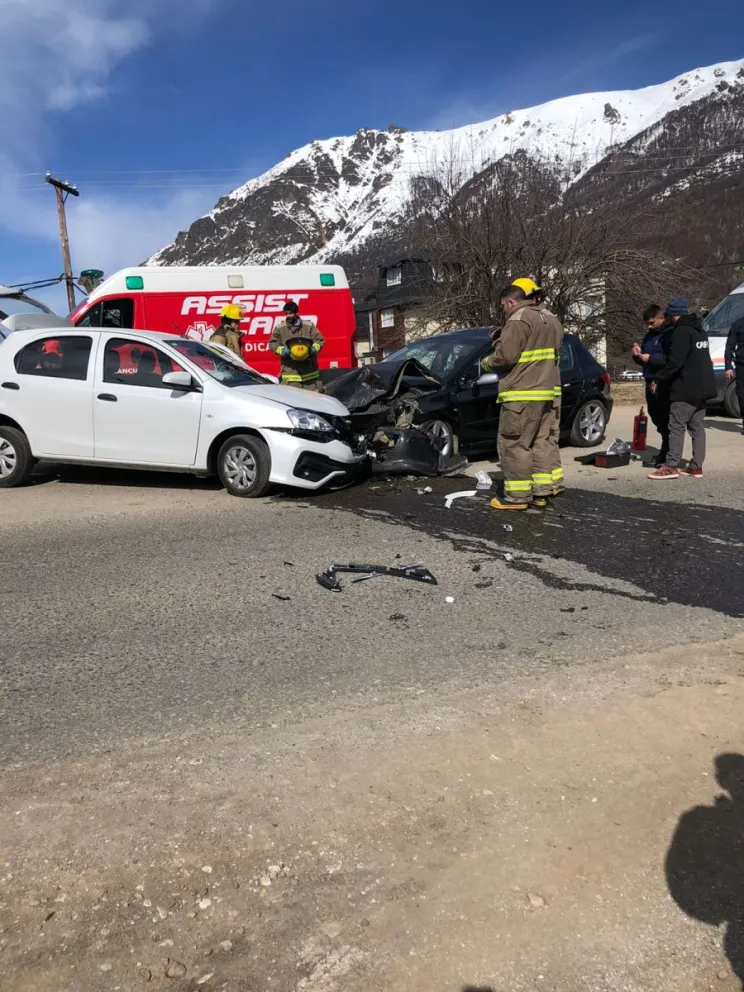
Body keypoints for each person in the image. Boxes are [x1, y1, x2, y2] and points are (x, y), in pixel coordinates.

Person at [482, 284, 562, 510]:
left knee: (515, 445)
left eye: (503, 305)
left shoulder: (518, 319)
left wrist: (487, 362)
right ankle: (541, 493)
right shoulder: (550, 318)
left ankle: (517, 498)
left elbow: (505, 357)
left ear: (511, 302)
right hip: (546, 392)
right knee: (540, 443)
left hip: (521, 394)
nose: (503, 310)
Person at [648, 297, 716, 480]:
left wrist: (658, 379)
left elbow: (675, 361)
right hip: (704, 387)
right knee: (697, 427)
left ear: (672, 314)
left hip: (686, 387)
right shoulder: (699, 330)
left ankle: (670, 466)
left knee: (676, 426)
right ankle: (696, 466)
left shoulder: (681, 332)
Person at [511, 277, 565, 495]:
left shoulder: (526, 320)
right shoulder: (551, 319)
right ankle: (552, 485)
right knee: (548, 440)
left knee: (528, 442)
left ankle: (535, 490)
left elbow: (511, 355)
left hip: (531, 389)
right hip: (553, 388)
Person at [632, 304, 672, 465]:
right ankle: (666, 447)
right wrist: (637, 354)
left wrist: (651, 358)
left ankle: (668, 452)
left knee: (665, 418)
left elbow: (671, 359)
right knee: (655, 416)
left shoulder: (669, 335)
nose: (649, 326)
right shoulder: (649, 336)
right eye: (647, 324)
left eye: (651, 322)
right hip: (649, 379)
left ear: (661, 318)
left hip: (663, 381)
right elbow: (644, 359)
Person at [268, 301, 325, 390]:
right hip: (291, 377)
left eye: (290, 313)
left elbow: (319, 340)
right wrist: (283, 351)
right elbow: (272, 343)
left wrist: (313, 349)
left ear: (297, 313)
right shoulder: (280, 328)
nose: (288, 316)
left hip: (310, 376)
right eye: (286, 314)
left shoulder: (308, 326)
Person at [725, 313, 744, 435]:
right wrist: (728, 367)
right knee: (742, 395)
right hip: (742, 364)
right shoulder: (738, 324)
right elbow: (730, 346)